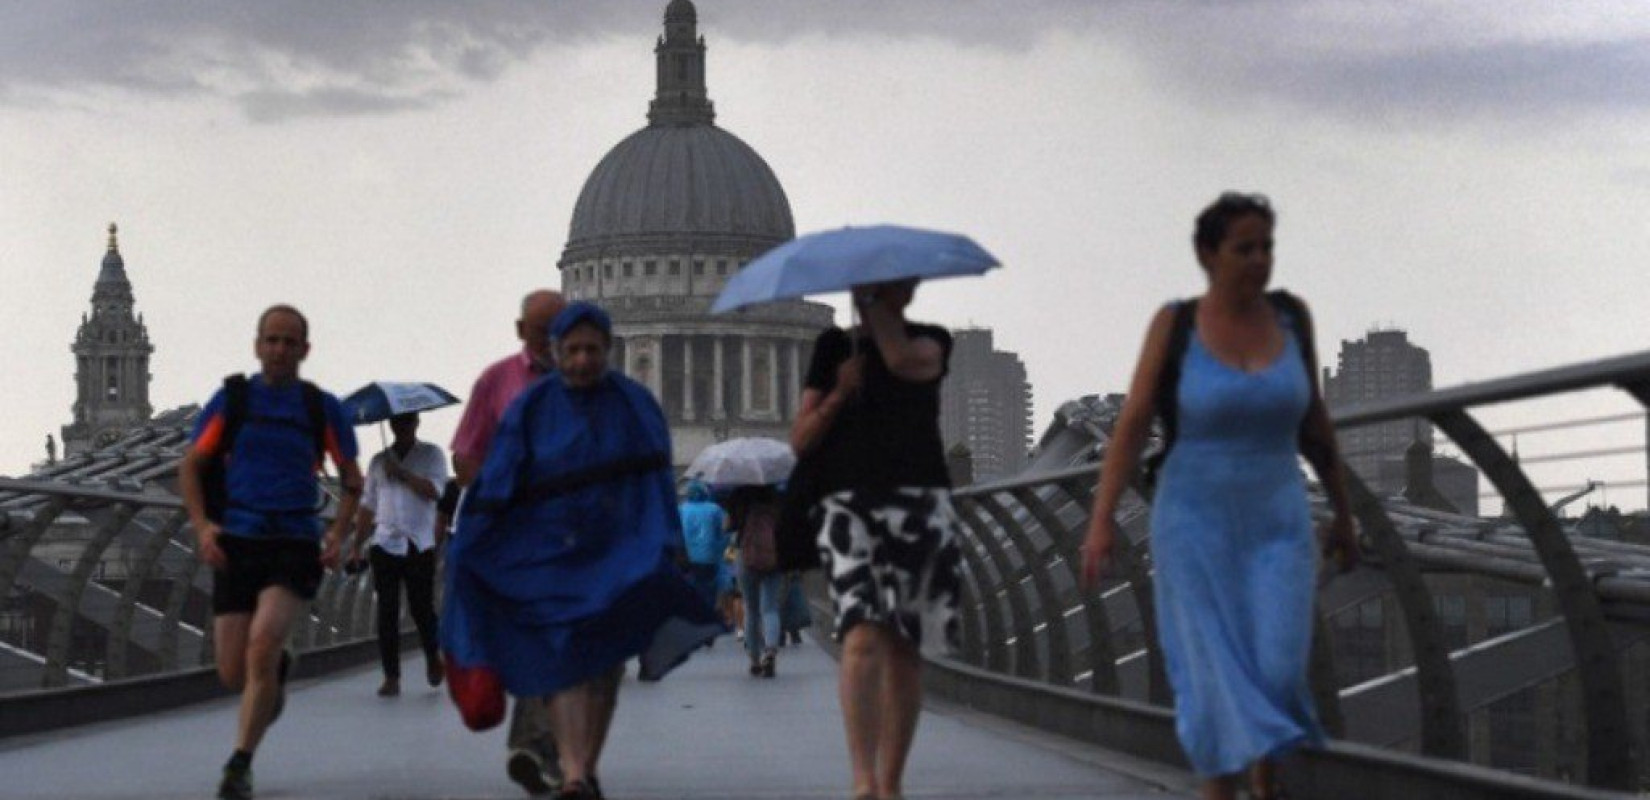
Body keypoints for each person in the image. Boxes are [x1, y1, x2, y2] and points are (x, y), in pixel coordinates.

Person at [1079, 193, 1359, 800]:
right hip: (1193, 522)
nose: (1260, 260)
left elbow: (1314, 422)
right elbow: (1131, 422)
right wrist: (1101, 519)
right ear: (1208, 255)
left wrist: (1343, 511)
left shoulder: (1292, 319)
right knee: (1213, 679)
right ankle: (1225, 790)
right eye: (1244, 249)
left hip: (1277, 518)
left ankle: (1263, 776)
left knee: (1279, 670)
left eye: (1268, 247)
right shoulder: (1175, 324)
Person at [442, 302, 724, 800]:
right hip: (554, 555)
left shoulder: (634, 405)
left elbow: (655, 478)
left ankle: (583, 765)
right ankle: (574, 773)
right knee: (566, 658)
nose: (580, 361)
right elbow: (499, 482)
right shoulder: (533, 408)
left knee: (603, 668)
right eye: (571, 350)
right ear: (555, 349)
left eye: (591, 350)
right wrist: (475, 539)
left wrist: (663, 543)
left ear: (610, 350)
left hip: (616, 553)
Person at [178, 305, 363, 800]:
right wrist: (202, 527)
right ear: (258, 345)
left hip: (293, 541)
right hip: (238, 539)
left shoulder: (321, 408)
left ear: (305, 349)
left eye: (290, 341)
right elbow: (191, 467)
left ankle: (240, 763)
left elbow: (351, 478)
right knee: (232, 671)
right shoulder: (232, 400)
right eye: (272, 340)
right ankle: (276, 674)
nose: (280, 349)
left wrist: (337, 532)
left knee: (262, 643)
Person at [791, 278, 962, 800]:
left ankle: (892, 781)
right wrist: (841, 390)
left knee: (906, 647)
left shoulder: (933, 339)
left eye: (894, 288)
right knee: (862, 635)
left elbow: (903, 361)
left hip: (919, 504)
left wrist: (871, 312)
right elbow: (799, 440)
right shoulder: (830, 349)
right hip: (849, 505)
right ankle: (864, 779)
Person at [449, 289, 567, 796]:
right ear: (521, 332)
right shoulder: (496, 381)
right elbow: (465, 456)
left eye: (561, 330)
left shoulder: (592, 384)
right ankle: (542, 745)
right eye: (542, 331)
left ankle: (543, 746)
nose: (552, 342)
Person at [349, 411, 450, 698]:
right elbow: (368, 505)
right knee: (387, 611)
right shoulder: (379, 461)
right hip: (385, 543)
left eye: (407, 421)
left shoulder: (432, 455)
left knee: (422, 608)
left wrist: (404, 474)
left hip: (419, 543)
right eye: (397, 421)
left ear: (416, 423)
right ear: (391, 424)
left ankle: (433, 656)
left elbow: (435, 491)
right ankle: (391, 676)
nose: (401, 426)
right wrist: (357, 544)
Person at [727, 484, 785, 677]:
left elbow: (729, 526)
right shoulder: (777, 495)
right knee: (770, 607)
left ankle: (754, 659)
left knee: (751, 609)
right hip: (774, 556)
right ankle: (770, 651)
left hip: (747, 556)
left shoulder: (739, 494)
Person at [676, 479, 727, 608]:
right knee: (709, 590)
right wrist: (719, 550)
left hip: (686, 557)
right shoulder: (715, 509)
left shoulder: (681, 509)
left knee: (690, 588)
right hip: (709, 557)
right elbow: (725, 532)